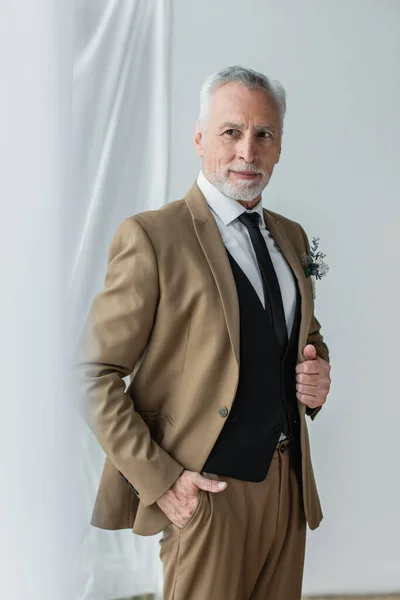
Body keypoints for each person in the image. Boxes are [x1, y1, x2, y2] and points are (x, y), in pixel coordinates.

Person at [73, 65, 331, 600]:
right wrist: (162, 480)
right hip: (206, 493)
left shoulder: (291, 236)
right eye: (230, 132)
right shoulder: (152, 237)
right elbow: (92, 374)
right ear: (199, 139)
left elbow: (304, 335)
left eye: (264, 135)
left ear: (280, 146)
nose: (248, 152)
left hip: (288, 486)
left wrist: (316, 372)